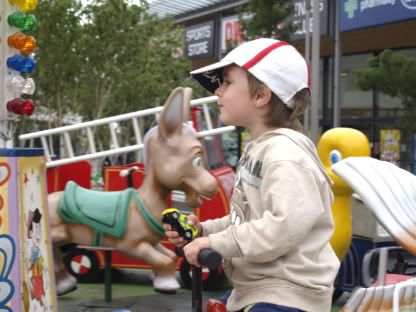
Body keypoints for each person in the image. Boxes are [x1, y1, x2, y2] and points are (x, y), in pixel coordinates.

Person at [163, 38, 340, 312]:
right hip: (258, 290)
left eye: (227, 82)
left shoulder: (285, 156)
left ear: (260, 96)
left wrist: (214, 243)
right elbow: (248, 218)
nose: (218, 91)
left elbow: (281, 228)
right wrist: (204, 231)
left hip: (287, 297)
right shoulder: (260, 148)